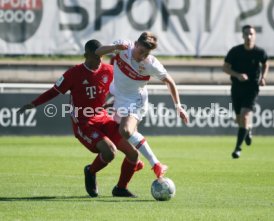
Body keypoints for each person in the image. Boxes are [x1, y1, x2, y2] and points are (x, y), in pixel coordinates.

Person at [17, 39, 145, 198]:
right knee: (110, 152)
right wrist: (33, 104)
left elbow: (125, 89)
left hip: (104, 119)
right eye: (95, 56)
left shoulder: (109, 70)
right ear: (86, 55)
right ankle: (90, 171)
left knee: (133, 154)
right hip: (84, 124)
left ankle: (120, 188)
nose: (98, 60)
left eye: (101, 56)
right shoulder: (73, 73)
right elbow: (53, 91)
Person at [95, 32, 189, 176]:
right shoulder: (122, 47)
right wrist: (114, 47)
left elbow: (169, 81)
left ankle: (156, 164)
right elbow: (98, 52)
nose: (142, 56)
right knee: (121, 133)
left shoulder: (151, 64)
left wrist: (178, 105)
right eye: (141, 52)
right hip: (118, 96)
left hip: (135, 100)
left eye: (146, 53)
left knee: (125, 131)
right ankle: (136, 161)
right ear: (136, 44)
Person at [223, 25, 269, 159]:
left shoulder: (259, 52)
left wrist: (263, 77)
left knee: (244, 116)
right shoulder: (235, 51)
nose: (249, 37)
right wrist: (237, 75)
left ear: (254, 35)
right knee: (239, 119)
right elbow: (225, 67)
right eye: (246, 34)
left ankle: (237, 148)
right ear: (242, 36)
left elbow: (266, 63)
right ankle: (247, 129)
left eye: (251, 34)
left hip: (252, 88)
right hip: (237, 88)